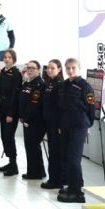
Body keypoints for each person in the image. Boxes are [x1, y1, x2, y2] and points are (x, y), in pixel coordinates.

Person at [57, 58, 95, 203]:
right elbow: (62, 107)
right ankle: (72, 186)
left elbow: (91, 108)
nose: (70, 70)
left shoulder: (85, 86)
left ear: (79, 68)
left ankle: (77, 193)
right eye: (68, 68)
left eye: (73, 68)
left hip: (79, 126)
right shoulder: (64, 84)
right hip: (66, 125)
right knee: (66, 157)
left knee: (74, 158)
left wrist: (87, 125)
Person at [19, 60, 46, 180]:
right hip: (27, 120)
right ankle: (39, 171)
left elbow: (34, 105)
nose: (29, 70)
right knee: (31, 146)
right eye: (28, 68)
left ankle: (35, 173)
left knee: (32, 146)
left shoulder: (39, 84)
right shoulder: (28, 83)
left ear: (39, 70)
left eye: (32, 68)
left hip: (35, 121)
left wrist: (27, 119)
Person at [0, 49, 22, 177]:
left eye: (9, 57)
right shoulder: (2, 71)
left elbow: (15, 95)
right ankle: (10, 162)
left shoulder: (16, 73)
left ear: (14, 59)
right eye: (5, 57)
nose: (6, 59)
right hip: (2, 109)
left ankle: (14, 165)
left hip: (10, 111)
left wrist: (10, 113)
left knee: (9, 137)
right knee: (3, 136)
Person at [41, 59, 64, 190]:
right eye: (48, 68)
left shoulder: (60, 84)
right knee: (53, 151)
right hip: (49, 122)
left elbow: (60, 107)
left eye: (52, 68)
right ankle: (54, 178)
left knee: (56, 152)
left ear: (59, 69)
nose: (49, 70)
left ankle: (56, 180)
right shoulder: (49, 82)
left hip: (56, 124)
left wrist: (60, 125)